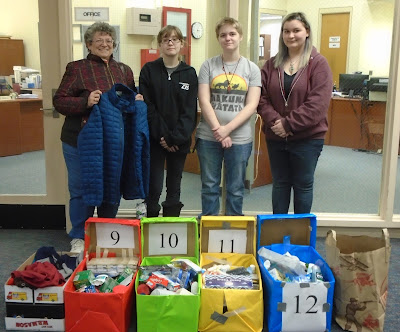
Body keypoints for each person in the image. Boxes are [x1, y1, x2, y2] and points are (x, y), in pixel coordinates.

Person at [53, 22, 144, 253]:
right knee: (81, 189)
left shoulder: (124, 70)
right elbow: (60, 101)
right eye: (99, 40)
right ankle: (79, 237)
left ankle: (104, 232)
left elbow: (128, 102)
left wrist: (136, 101)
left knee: (111, 187)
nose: (105, 44)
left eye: (109, 40)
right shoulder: (76, 68)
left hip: (113, 143)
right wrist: (85, 101)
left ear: (114, 44)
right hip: (80, 140)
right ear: (88, 44)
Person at [257, 12, 333, 214]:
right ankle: (278, 234)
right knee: (280, 185)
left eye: (296, 30)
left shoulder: (318, 64)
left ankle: (300, 239)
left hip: (307, 139)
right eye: (286, 31)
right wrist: (276, 122)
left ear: (307, 32)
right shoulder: (271, 64)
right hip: (276, 137)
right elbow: (261, 97)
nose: (291, 35)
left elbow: (318, 104)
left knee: (303, 186)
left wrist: (288, 124)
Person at [196, 17, 261, 216]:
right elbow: (204, 101)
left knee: (235, 189)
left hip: (240, 139)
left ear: (240, 37)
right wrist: (219, 131)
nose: (228, 38)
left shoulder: (252, 69)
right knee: (209, 186)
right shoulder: (208, 65)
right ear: (218, 38)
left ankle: (234, 228)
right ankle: (208, 230)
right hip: (209, 137)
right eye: (223, 35)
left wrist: (227, 130)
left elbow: (252, 105)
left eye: (232, 34)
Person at [139, 25, 198, 217]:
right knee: (153, 185)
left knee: (174, 184)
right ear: (160, 44)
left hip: (179, 141)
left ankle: (171, 221)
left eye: (174, 39)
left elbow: (189, 111)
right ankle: (151, 223)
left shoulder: (189, 73)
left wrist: (176, 138)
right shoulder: (149, 70)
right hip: (156, 140)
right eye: (166, 39)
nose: (170, 42)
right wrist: (164, 137)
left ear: (182, 44)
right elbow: (148, 107)